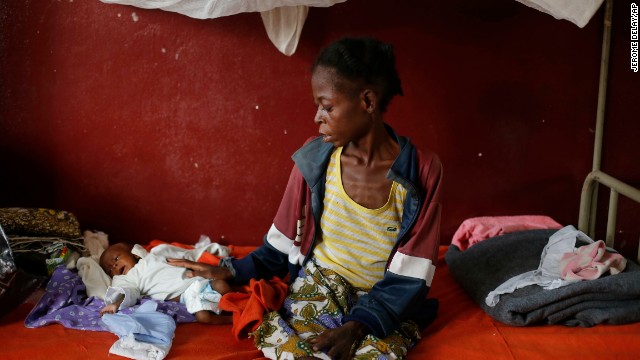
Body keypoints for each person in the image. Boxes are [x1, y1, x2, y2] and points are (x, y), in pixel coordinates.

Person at [169, 37, 443, 359]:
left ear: (367, 101)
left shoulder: (421, 172)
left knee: (378, 353)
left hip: (384, 297)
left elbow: (413, 270)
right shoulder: (315, 160)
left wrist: (358, 325)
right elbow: (282, 242)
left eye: (327, 107)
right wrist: (234, 270)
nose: (317, 116)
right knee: (289, 343)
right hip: (321, 285)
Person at [99, 242, 232, 325]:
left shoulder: (156, 253)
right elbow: (128, 292)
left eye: (116, 258)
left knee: (222, 285)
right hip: (187, 295)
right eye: (110, 269)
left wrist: (211, 249)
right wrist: (115, 304)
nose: (115, 266)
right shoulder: (127, 279)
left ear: (134, 253)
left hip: (197, 281)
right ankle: (231, 320)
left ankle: (235, 304)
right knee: (203, 316)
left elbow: (188, 255)